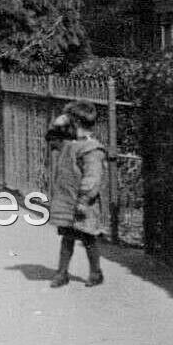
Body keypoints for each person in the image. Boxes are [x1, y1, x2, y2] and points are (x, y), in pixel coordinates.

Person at [45, 101, 107, 288]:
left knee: (88, 238)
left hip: (83, 202)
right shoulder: (70, 143)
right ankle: (62, 273)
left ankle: (95, 273)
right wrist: (57, 123)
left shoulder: (91, 149)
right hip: (68, 200)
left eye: (69, 120)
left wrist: (84, 200)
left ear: (76, 122)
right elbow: (51, 137)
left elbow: (93, 177)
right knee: (67, 238)